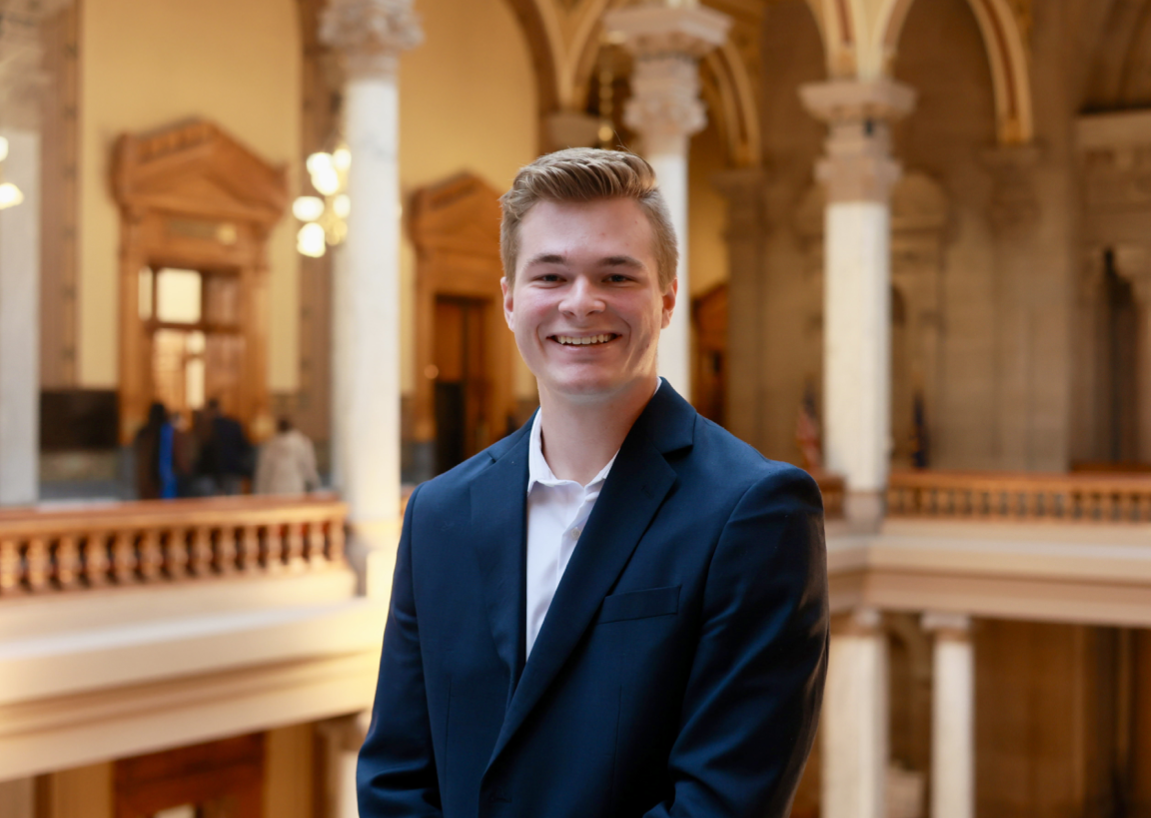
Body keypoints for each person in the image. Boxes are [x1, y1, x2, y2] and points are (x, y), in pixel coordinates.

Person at [357, 148, 829, 818]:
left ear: (666, 298)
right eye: (551, 276)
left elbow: (720, 803)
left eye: (616, 275)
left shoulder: (757, 511)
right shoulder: (438, 513)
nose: (581, 302)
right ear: (510, 300)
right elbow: (395, 778)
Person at [194, 398, 252, 495]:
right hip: (232, 468)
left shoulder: (205, 427)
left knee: (212, 500)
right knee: (232, 499)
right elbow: (244, 447)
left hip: (212, 472)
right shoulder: (233, 425)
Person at [253, 417, 320, 495]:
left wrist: (260, 492)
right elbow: (308, 467)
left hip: (277, 486)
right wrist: (314, 483)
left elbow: (264, 472)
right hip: (295, 485)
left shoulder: (270, 444)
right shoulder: (301, 442)